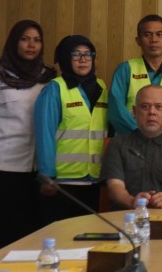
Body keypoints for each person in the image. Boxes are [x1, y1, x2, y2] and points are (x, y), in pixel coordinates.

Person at [0, 20, 57, 261]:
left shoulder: (47, 78)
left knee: (26, 237)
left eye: (37, 40)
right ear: (14, 42)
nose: (31, 45)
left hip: (32, 171)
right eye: (25, 39)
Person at [34, 35, 108, 223]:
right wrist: (47, 175)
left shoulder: (101, 87)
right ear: (65, 58)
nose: (83, 59)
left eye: (88, 54)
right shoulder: (54, 89)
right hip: (61, 182)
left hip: (95, 179)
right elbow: (45, 134)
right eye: (76, 54)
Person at [101, 85, 162, 210]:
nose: (152, 112)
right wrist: (131, 201)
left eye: (159, 106)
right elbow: (114, 186)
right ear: (135, 112)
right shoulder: (117, 145)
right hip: (128, 216)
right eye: (145, 106)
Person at [108, 14, 162, 136]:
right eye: (147, 35)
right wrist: (140, 137)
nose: (154, 39)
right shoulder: (125, 70)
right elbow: (116, 111)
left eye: (159, 34)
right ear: (138, 40)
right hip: (131, 142)